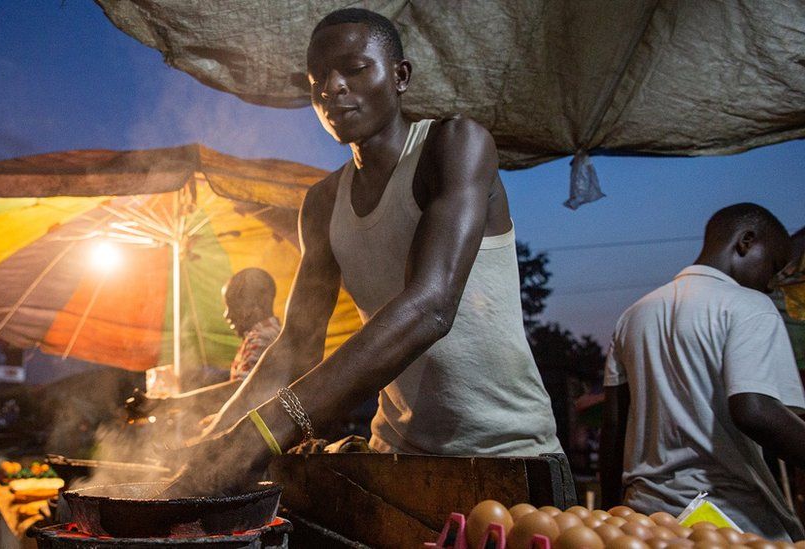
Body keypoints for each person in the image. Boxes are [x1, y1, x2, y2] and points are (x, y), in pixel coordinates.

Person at [169, 7, 560, 495]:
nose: (332, 88)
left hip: (509, 458)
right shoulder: (322, 203)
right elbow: (295, 345)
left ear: (400, 76)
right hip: (394, 459)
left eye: (354, 69)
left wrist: (266, 429)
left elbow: (431, 308)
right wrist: (218, 437)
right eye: (318, 81)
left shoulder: (455, 144)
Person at [600, 203, 805, 540]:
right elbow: (755, 411)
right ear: (746, 242)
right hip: (728, 522)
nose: (772, 284)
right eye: (773, 266)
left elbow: (613, 428)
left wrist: (610, 520)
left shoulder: (633, 316)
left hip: (643, 522)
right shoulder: (749, 305)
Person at [132, 269, 282, 425]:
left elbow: (240, 390)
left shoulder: (262, 338)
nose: (227, 315)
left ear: (259, 303)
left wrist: (165, 403)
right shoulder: (267, 335)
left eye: (234, 305)